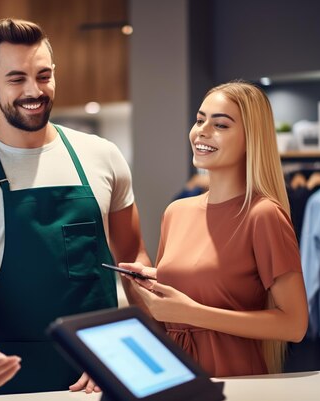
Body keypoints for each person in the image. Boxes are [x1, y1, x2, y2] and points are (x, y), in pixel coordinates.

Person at [0, 18, 150, 396]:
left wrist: (128, 350)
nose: (34, 90)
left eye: (43, 75)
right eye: (16, 79)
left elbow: (134, 259)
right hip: (13, 378)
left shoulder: (102, 156)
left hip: (102, 373)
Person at [120, 81, 308, 377]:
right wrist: (153, 282)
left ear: (251, 139)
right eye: (199, 120)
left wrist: (192, 314)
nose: (202, 131)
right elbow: (201, 286)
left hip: (236, 381)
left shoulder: (263, 215)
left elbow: (294, 325)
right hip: (175, 377)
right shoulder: (176, 212)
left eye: (220, 124)